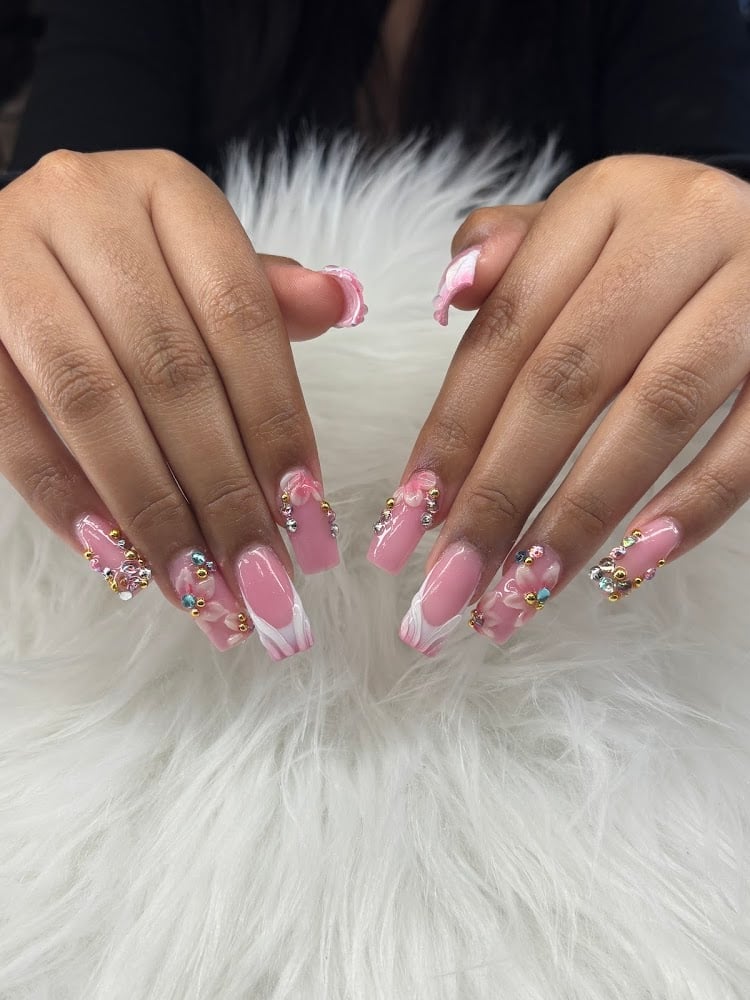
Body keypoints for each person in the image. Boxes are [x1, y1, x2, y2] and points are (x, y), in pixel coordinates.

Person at [1, 0, 749, 659]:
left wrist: (714, 224)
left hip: (615, 657)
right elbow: (70, 190)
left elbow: (714, 182)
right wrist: (44, 239)